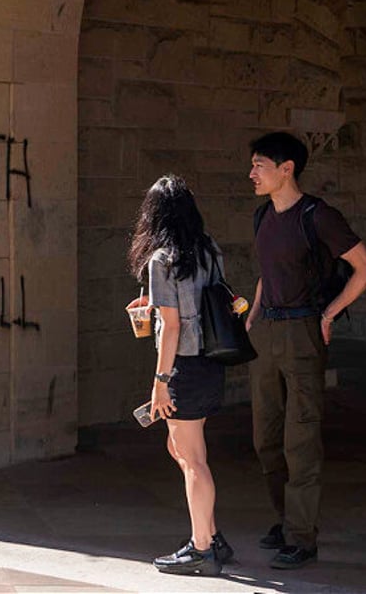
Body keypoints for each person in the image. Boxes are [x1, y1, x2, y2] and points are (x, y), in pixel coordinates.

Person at [245, 132, 366, 569]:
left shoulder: (318, 216)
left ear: (287, 169)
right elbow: (268, 272)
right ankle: (287, 522)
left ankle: (302, 538)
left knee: (299, 439)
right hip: (266, 333)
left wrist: (328, 315)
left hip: (304, 330)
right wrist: (254, 314)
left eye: (260, 164)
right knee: (265, 437)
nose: (251, 173)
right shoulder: (263, 216)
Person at [126, 175, 233, 577]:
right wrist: (154, 305)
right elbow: (201, 303)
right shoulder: (209, 250)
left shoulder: (162, 260)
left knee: (193, 460)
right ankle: (211, 533)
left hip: (183, 367)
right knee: (183, 451)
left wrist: (161, 381)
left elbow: (172, 328)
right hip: (210, 360)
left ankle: (202, 548)